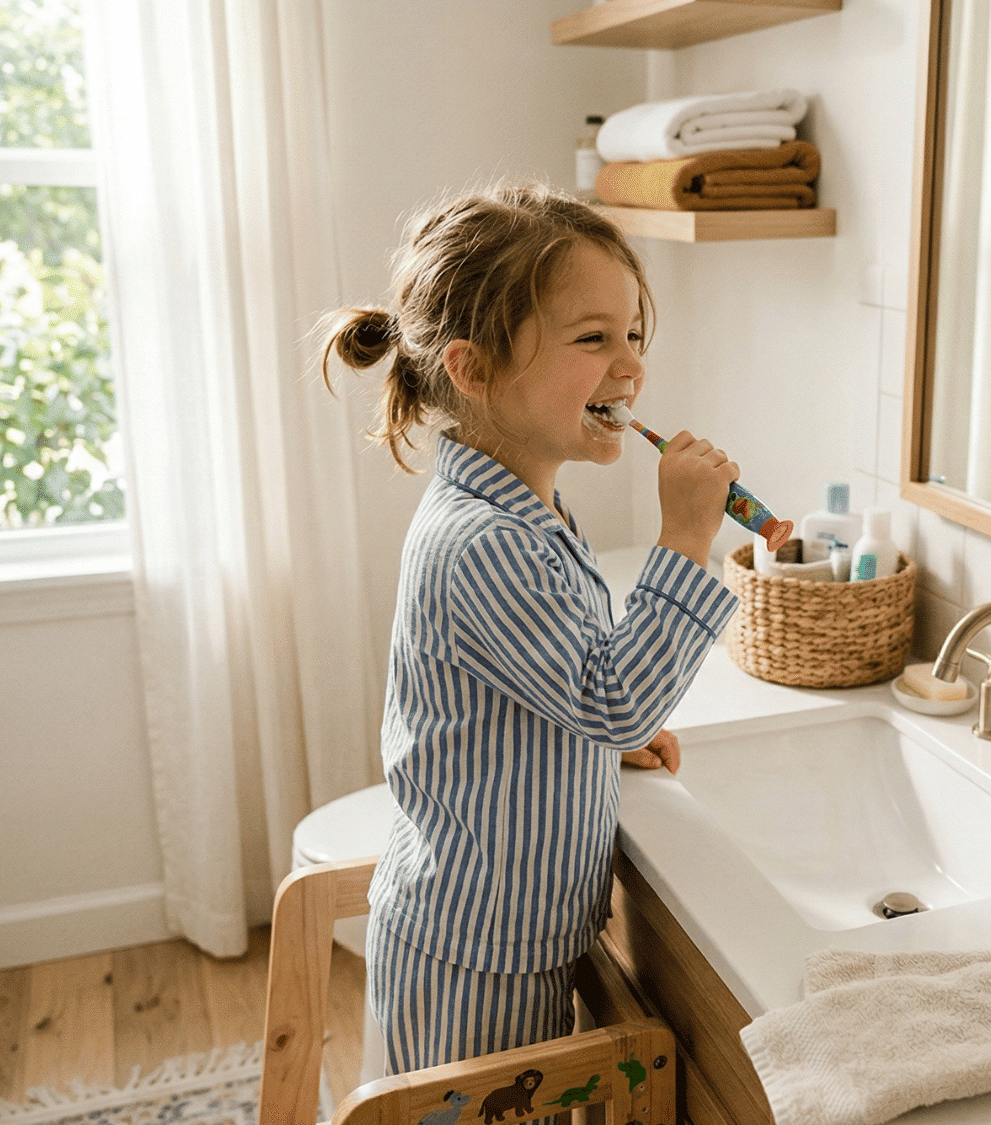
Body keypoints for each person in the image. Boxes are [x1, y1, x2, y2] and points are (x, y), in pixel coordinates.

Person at [317, 182, 741, 1073]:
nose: (630, 367)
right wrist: (686, 537)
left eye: (633, 335)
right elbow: (615, 696)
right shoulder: (485, 541)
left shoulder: (523, 512)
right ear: (473, 370)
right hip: (472, 955)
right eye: (593, 339)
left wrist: (588, 737)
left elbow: (566, 678)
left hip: (503, 935)